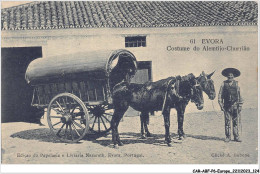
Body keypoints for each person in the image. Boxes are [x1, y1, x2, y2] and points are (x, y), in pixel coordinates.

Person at [218, 68, 243, 142]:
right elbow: (220, 95)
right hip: (226, 106)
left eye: (231, 76)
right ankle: (228, 137)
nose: (230, 77)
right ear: (227, 76)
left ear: (234, 76)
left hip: (235, 106)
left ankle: (236, 136)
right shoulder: (223, 84)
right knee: (227, 122)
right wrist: (221, 105)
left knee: (235, 121)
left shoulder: (237, 84)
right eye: (229, 76)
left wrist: (240, 105)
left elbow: (240, 95)